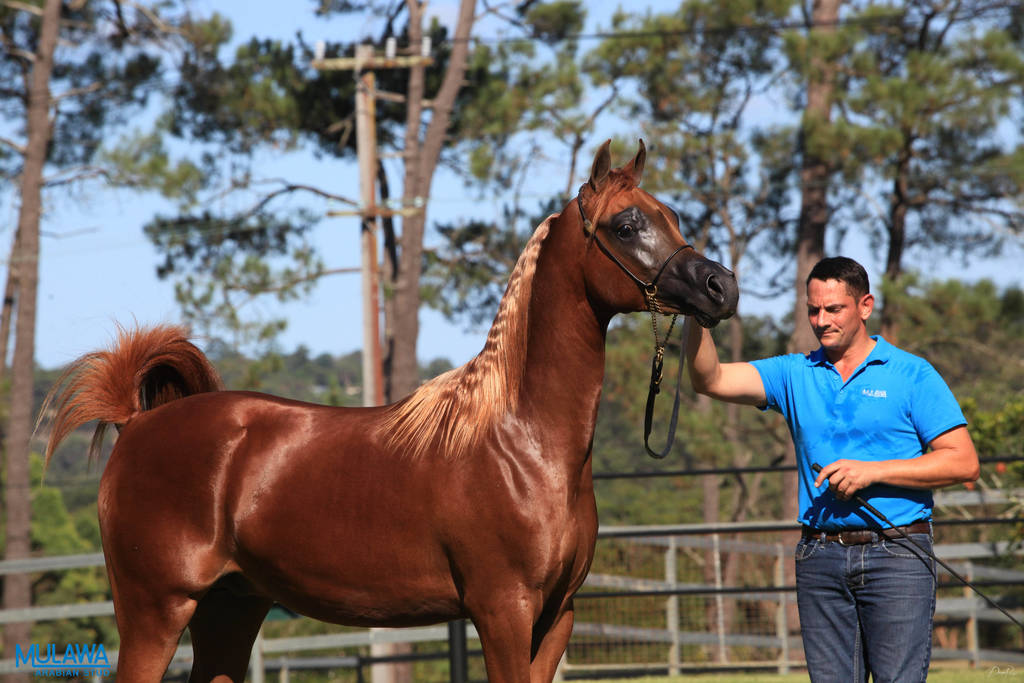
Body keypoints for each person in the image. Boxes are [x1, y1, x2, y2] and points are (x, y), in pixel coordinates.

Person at [684, 256, 979, 682]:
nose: (821, 320)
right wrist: (698, 314)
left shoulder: (912, 374)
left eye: (834, 309)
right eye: (813, 310)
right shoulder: (793, 373)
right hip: (818, 557)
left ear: (865, 305)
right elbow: (709, 379)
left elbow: (963, 460)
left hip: (897, 555)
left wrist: (873, 472)